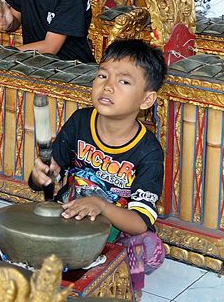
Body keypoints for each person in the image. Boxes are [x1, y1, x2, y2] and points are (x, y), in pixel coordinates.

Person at [28, 39, 167, 298]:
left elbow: (140, 224)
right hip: (70, 219)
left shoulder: (148, 151)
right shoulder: (80, 121)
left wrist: (101, 205)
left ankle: (126, 290)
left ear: (147, 99)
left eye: (123, 81)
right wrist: (41, 176)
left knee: (148, 247)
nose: (108, 86)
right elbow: (46, 178)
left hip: (115, 232)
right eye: (102, 75)